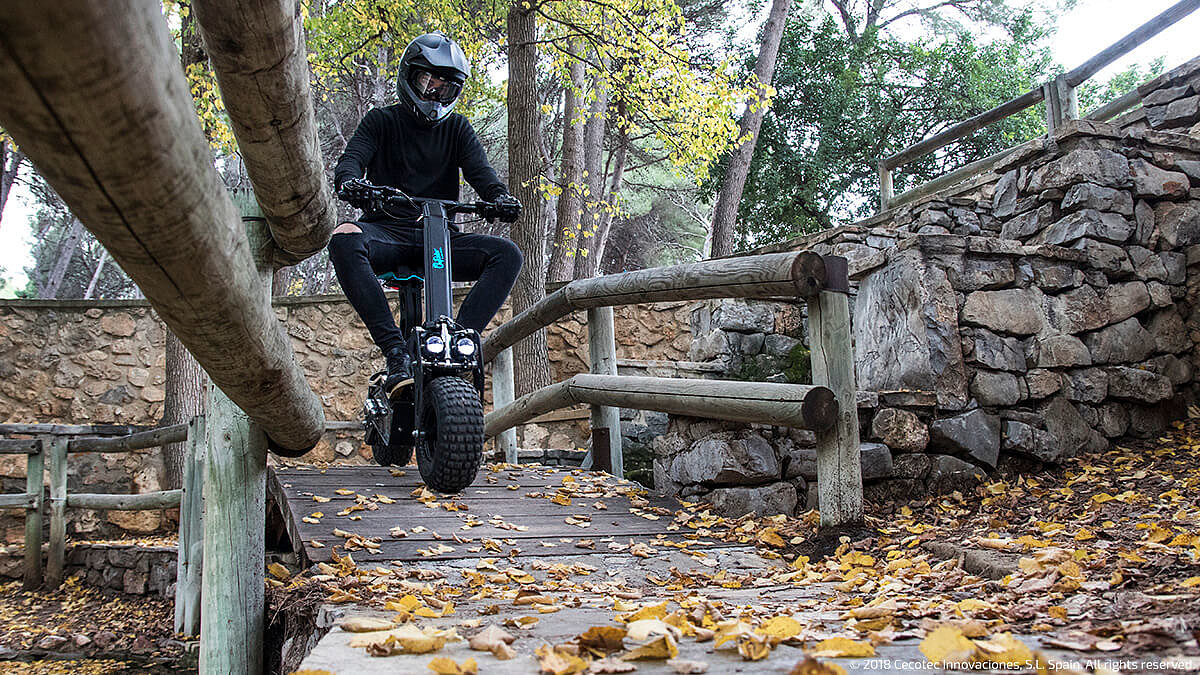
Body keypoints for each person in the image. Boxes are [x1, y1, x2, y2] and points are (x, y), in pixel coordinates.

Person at [328, 32, 522, 398]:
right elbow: (353, 158)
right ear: (409, 76)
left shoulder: (458, 129)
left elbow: (483, 175)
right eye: (428, 81)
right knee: (344, 237)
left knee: (507, 254)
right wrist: (351, 180)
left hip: (440, 239)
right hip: (387, 233)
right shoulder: (380, 121)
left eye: (445, 88)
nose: (435, 93)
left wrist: (499, 198)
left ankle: (460, 343)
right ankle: (396, 354)